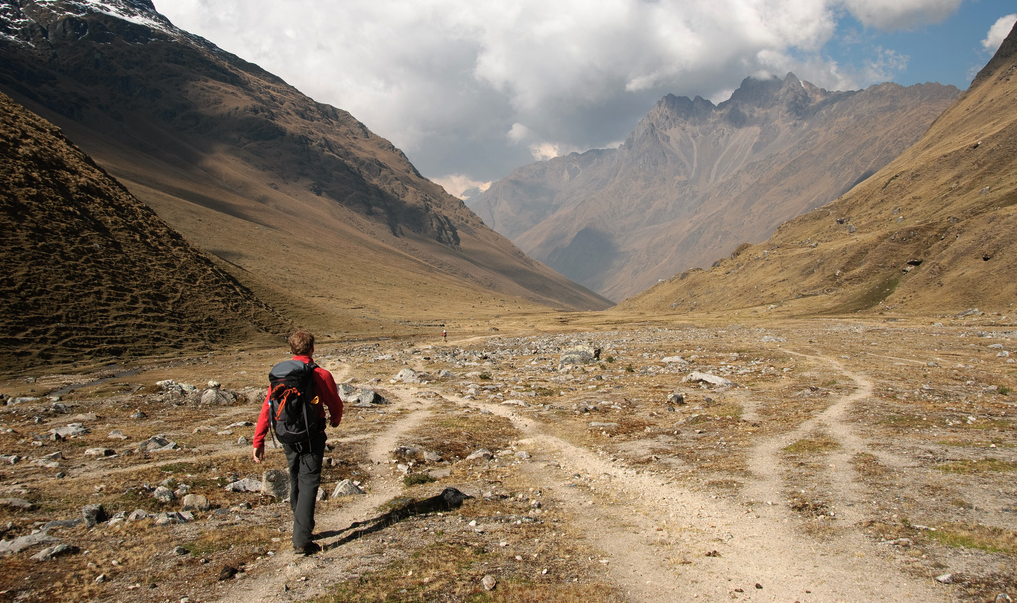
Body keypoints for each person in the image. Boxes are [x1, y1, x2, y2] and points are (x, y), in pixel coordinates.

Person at [253, 329, 343, 555]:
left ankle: (301, 525)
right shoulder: (320, 374)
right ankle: (302, 540)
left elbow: (267, 407)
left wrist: (258, 440)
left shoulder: (280, 375)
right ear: (312, 349)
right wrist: (335, 420)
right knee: (309, 482)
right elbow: (335, 403)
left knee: (295, 477)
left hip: (287, 435)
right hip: (312, 435)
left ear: (291, 350)